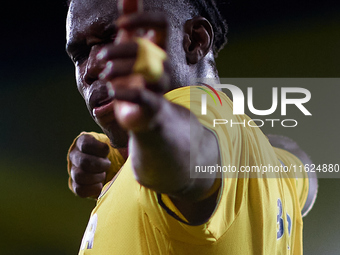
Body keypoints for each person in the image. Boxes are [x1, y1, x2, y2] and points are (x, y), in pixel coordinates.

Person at [65, 0, 318, 254]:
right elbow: (303, 166)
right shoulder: (263, 162)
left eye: (115, 39)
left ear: (195, 40)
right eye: (79, 55)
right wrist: (126, 157)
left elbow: (194, 159)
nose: (90, 69)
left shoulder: (193, 121)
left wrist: (153, 124)